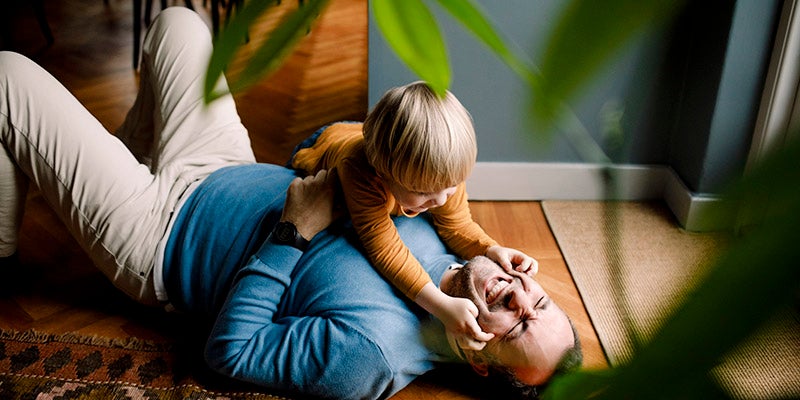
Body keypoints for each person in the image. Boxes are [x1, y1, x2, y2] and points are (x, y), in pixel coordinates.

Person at [0, 7, 581, 400]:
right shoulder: (448, 230)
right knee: (178, 22)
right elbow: (334, 156)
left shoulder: (370, 357)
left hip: (159, 237)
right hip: (225, 164)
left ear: (479, 357)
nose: (521, 296)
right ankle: (122, 158)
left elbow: (228, 353)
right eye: (542, 303)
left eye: (517, 325)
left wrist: (293, 232)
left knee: (7, 78)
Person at [290, 82, 537, 351]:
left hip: (367, 134)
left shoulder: (442, 174)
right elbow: (385, 249)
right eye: (422, 192)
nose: (441, 200)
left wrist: (491, 248)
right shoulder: (360, 172)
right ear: (382, 174)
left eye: (451, 187)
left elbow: (457, 225)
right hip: (327, 142)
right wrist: (441, 306)